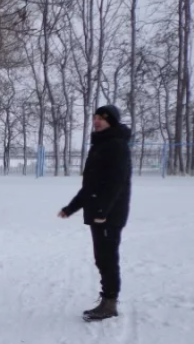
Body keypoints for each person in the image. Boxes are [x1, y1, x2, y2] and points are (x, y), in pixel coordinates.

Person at [59, 104, 133, 321]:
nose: (97, 121)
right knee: (101, 258)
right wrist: (70, 208)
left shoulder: (117, 145)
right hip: (99, 212)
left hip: (109, 214)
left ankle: (110, 303)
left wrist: (102, 210)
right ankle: (107, 299)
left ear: (112, 122)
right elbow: (91, 185)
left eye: (103, 118)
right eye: (95, 117)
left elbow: (115, 183)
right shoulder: (101, 144)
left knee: (107, 258)